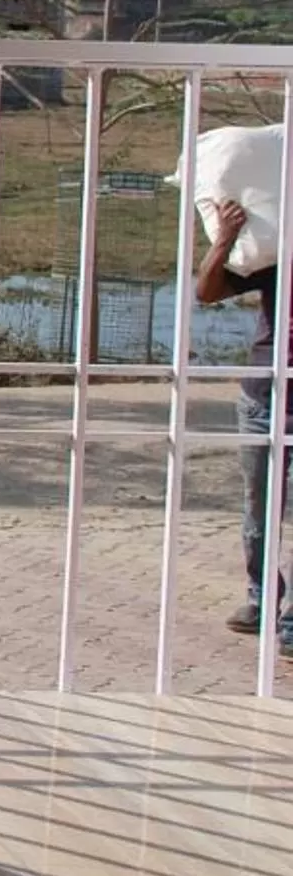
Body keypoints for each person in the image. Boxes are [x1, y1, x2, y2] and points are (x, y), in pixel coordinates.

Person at [197, 199, 291, 643]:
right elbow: (207, 292)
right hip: (264, 400)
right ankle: (261, 598)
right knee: (259, 510)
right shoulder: (278, 252)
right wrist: (225, 240)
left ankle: (290, 623)